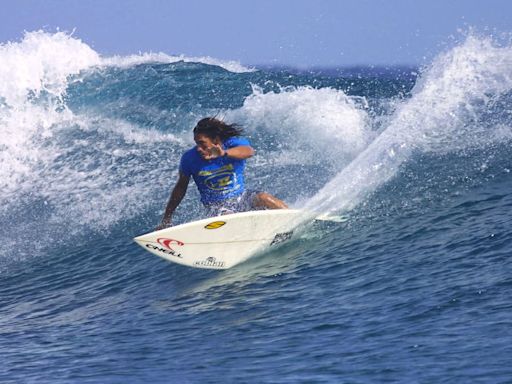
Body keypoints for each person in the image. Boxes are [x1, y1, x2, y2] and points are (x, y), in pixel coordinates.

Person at [157, 117, 288, 229]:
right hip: (216, 206)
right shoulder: (189, 158)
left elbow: (248, 151)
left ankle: (292, 220)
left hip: (242, 197)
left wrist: (224, 154)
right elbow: (180, 188)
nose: (199, 148)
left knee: (264, 198)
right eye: (197, 143)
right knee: (228, 218)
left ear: (215, 140)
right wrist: (167, 218)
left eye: (202, 143)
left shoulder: (233, 145)